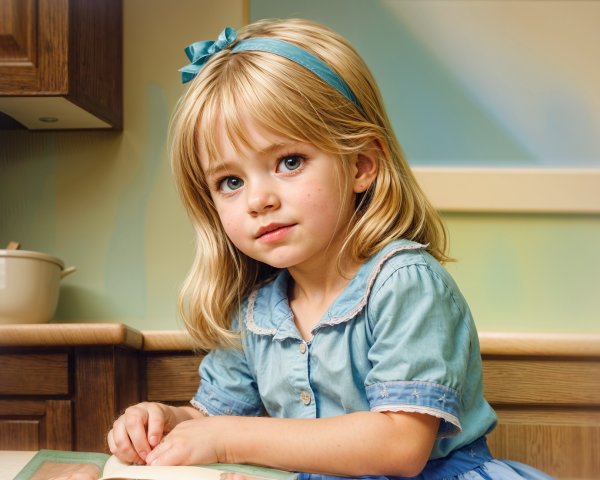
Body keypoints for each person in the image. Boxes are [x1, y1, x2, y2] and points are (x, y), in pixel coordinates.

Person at [108, 18, 553, 480]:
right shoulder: (257, 313)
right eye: (231, 182)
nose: (259, 200)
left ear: (361, 164)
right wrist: (164, 420)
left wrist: (225, 438)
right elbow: (211, 418)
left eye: (289, 161)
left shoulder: (404, 283)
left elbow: (400, 444)